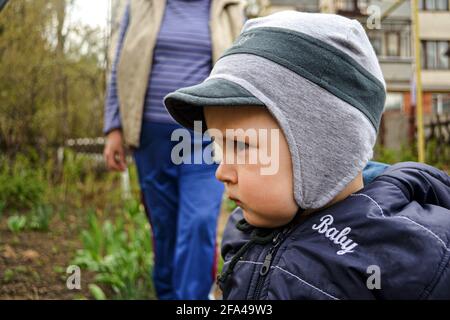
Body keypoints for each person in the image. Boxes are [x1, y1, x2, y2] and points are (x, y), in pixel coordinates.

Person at [163, 11, 450, 299]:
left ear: (323, 148)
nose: (221, 172)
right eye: (218, 146)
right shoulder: (244, 230)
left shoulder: (411, 257)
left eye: (241, 146)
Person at [103, 0, 246, 300]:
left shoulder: (228, 7)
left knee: (197, 224)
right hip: (150, 137)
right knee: (164, 228)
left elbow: (244, 67)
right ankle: (167, 295)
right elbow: (120, 65)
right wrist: (113, 126)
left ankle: (190, 301)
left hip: (203, 136)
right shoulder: (140, 5)